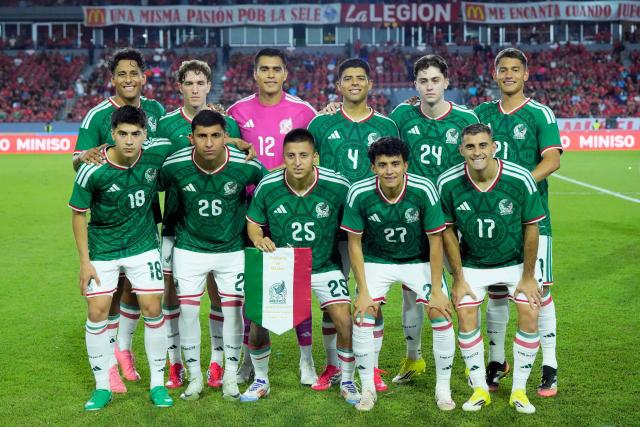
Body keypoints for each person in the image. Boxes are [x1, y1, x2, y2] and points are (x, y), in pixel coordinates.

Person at [72, 48, 166, 391]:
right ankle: (110, 359)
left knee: (136, 289)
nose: (128, 79)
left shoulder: (155, 110)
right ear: (112, 79)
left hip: (143, 209)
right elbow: (77, 162)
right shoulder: (97, 116)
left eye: (134, 73)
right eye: (121, 74)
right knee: (108, 293)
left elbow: (178, 138)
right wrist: (85, 156)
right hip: (109, 215)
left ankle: (124, 349)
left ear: (144, 77)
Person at [156, 59, 253, 390]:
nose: (209, 141)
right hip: (181, 233)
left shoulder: (237, 149)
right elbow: (150, 176)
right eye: (189, 82)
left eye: (201, 82)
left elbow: (261, 185)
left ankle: (222, 367)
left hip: (229, 240)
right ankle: (184, 369)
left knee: (228, 306)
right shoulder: (167, 130)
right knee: (178, 303)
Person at [244, 129, 357, 405]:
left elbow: (356, 225)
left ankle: (348, 380)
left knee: (344, 319)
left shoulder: (338, 185)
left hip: (324, 265)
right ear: (283, 157)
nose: (297, 162)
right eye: (291, 156)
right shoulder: (269, 184)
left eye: (304, 155)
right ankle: (261, 379)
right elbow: (253, 224)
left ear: (315, 157)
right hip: (283, 264)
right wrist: (260, 239)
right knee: (259, 321)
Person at [438, 123, 545, 414]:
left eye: (483, 145)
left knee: (530, 310)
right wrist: (457, 278)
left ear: (494, 147)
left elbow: (531, 227)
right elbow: (447, 231)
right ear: (460, 150)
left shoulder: (519, 177)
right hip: (472, 264)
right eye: (470, 147)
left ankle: (520, 391)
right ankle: (479, 390)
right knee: (465, 311)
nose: (477, 152)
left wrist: (527, 276)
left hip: (514, 263)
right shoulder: (448, 182)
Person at [341, 137, 454, 412]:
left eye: (395, 164)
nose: (389, 170)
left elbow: (436, 240)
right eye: (382, 165)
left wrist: (438, 290)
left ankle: (443, 388)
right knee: (363, 314)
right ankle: (367, 387)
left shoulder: (423, 188)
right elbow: (354, 243)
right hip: (377, 260)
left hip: (419, 260)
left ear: (406, 165)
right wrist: (363, 290)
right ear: (372, 168)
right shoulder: (359, 192)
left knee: (440, 312)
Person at [307, 58, 399, 392]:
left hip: (372, 225)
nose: (355, 83)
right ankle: (333, 365)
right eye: (348, 78)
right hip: (328, 224)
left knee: (371, 297)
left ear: (370, 84)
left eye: (361, 78)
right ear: (339, 85)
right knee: (332, 300)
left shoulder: (387, 124)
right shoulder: (321, 124)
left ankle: (370, 367)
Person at [227, 48, 318, 385]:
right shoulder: (237, 111)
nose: (269, 75)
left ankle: (306, 361)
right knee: (251, 293)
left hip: (291, 210)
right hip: (248, 210)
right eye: (263, 69)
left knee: (298, 287)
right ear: (254, 74)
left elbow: (315, 156)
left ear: (285, 74)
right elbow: (226, 146)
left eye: (276, 69)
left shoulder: (304, 111)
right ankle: (249, 363)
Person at [474, 48, 562, 397]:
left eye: (515, 69)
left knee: (538, 293)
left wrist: (522, 186)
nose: (508, 74)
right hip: (489, 222)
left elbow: (552, 159)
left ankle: (550, 365)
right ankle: (496, 362)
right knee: (496, 292)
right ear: (494, 75)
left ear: (526, 75)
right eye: (502, 69)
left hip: (532, 220)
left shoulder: (540, 113)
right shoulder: (481, 113)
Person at [388, 54, 479, 385]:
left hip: (456, 220)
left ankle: (474, 367)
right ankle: (413, 360)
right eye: (423, 80)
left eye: (435, 80)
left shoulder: (465, 118)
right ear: (415, 85)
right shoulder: (401, 116)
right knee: (411, 292)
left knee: (464, 287)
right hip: (414, 219)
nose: (429, 86)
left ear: (446, 82)